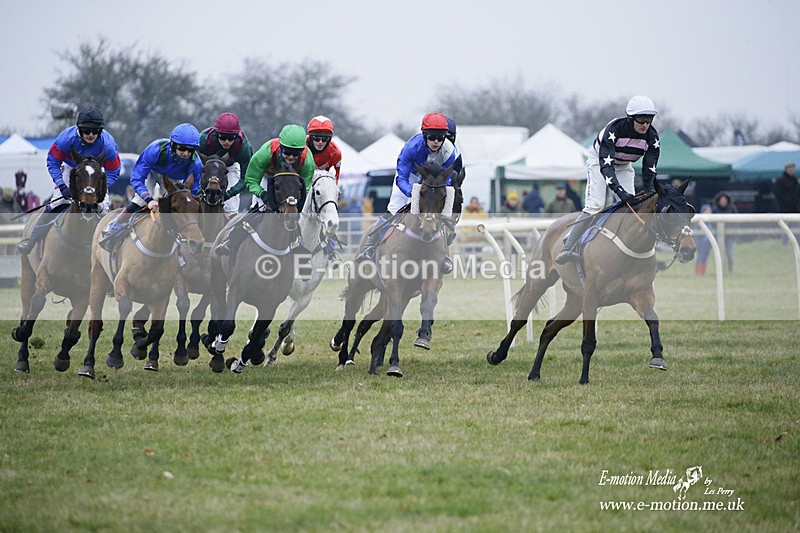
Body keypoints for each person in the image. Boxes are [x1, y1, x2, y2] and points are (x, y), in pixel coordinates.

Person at [555, 95, 660, 264]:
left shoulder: (652, 138)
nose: (645, 125)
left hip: (624, 165)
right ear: (630, 118)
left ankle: (634, 254)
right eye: (641, 119)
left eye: (649, 119)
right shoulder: (614, 130)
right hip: (599, 161)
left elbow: (649, 172)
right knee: (596, 205)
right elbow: (606, 166)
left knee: (633, 209)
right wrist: (620, 191)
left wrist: (649, 194)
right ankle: (568, 246)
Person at [356, 113, 460, 273]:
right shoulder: (411, 148)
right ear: (424, 135)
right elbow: (402, 177)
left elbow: (445, 179)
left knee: (440, 215)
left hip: (432, 182)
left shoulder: (449, 151)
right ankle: (369, 247)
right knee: (393, 211)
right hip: (409, 179)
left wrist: (439, 193)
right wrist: (413, 193)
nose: (436, 142)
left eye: (440, 138)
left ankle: (444, 255)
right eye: (432, 137)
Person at [17, 107, 121, 255]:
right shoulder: (66, 139)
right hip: (71, 169)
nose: (91, 135)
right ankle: (32, 240)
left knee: (103, 208)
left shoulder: (108, 146)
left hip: (96, 174)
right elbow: (52, 161)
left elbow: (114, 171)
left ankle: (111, 246)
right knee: (57, 203)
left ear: (101, 131)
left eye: (95, 131)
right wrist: (61, 185)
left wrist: (100, 187)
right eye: (86, 130)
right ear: (79, 129)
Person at [214, 124, 315, 256]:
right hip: (266, 178)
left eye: (295, 154)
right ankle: (232, 240)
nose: (291, 157)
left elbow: (305, 187)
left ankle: (298, 243)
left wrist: (294, 203)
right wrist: (262, 194)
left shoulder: (307, 159)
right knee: (259, 209)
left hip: (291, 182)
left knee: (294, 213)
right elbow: (251, 180)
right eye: (287, 153)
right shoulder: (265, 153)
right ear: (281, 147)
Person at [98, 123, 202, 251]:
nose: (186, 153)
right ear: (173, 145)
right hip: (152, 172)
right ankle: (113, 229)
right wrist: (149, 199)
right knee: (140, 201)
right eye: (182, 148)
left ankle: (178, 249)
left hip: (174, 180)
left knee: (178, 206)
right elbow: (137, 178)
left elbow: (191, 191)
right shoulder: (155, 150)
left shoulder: (196, 164)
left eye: (190, 150)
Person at [198, 112, 254, 216]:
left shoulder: (244, 148)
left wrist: (228, 194)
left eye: (231, 138)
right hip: (206, 167)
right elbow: (193, 165)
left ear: (236, 136)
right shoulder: (203, 140)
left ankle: (229, 227)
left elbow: (246, 178)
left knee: (230, 208)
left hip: (230, 167)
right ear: (216, 133)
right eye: (223, 137)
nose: (227, 142)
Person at [306, 115, 342, 182]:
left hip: (322, 184)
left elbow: (335, 179)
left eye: (324, 138)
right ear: (310, 137)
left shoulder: (335, 153)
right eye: (316, 138)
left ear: (329, 139)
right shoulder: (301, 146)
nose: (320, 142)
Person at [712, 192, 737, 273]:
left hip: (729, 236)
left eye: (724, 200)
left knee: (729, 253)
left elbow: (736, 221)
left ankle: (730, 270)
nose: (723, 201)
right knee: (719, 254)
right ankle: (719, 271)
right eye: (721, 200)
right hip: (718, 236)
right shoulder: (715, 209)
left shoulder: (731, 209)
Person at [693, 204, 713, 276]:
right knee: (700, 256)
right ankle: (698, 273)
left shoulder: (711, 222)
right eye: (707, 210)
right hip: (700, 243)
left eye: (709, 210)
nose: (708, 212)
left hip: (707, 244)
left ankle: (703, 273)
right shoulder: (699, 221)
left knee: (705, 257)